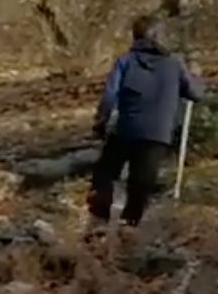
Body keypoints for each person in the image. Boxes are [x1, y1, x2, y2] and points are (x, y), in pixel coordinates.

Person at [88, 13, 207, 228]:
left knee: (104, 174)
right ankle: (129, 228)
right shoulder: (174, 64)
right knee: (140, 186)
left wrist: (100, 122)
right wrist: (195, 76)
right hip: (157, 135)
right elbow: (196, 94)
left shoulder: (125, 62)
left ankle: (99, 220)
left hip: (126, 130)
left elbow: (109, 96)